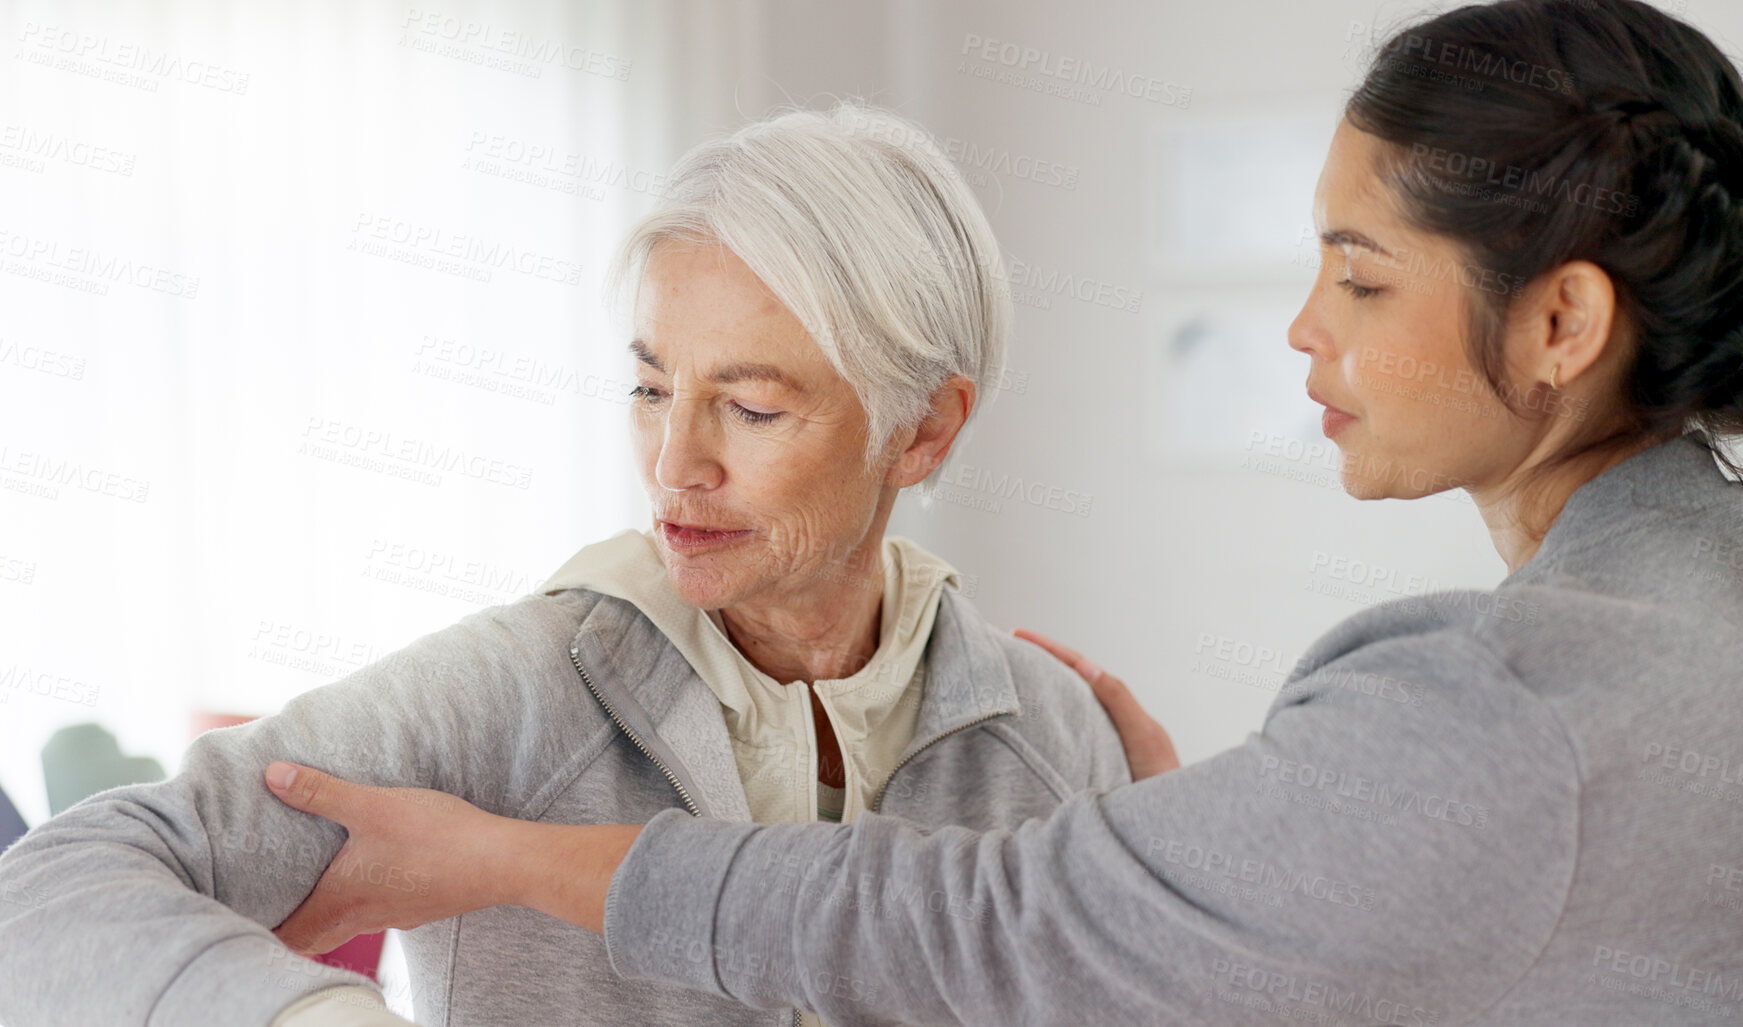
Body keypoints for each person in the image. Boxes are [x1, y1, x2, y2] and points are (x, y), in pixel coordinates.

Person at [252, 1, 1743, 1024]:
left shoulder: (1514, 697)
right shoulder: (1729, 588)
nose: (1300, 328)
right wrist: (1267, 848)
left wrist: (498, 865)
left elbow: (1001, 925)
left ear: (1561, 326)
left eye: (1357, 277)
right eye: (654, 383)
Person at [0, 104, 1129, 1027]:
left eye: (749, 405)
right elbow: (47, 889)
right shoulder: (518, 693)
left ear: (924, 430)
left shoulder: (1051, 734)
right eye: (651, 389)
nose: (674, 463)